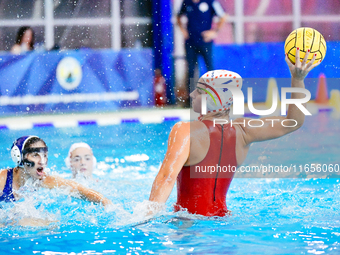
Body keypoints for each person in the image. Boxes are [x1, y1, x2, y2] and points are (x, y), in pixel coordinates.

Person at [148, 50, 321, 216]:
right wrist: (298, 79)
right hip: (223, 222)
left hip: (189, 226)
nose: (193, 94)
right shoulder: (243, 131)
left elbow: (166, 177)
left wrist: (147, 219)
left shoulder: (185, 130)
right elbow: (293, 122)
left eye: (199, 91)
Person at [0, 136, 110, 207]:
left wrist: (105, 201)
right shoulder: (3, 179)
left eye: (44, 155)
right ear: (18, 157)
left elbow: (80, 190)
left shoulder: (43, 179)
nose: (42, 161)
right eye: (35, 155)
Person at [177, 0, 228, 105]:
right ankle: (191, 101)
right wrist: (183, 30)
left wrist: (214, 32)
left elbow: (223, 16)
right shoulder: (187, 2)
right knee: (191, 70)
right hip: (191, 42)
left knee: (210, 69)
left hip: (205, 42)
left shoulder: (210, 2)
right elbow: (178, 16)